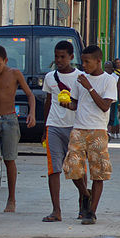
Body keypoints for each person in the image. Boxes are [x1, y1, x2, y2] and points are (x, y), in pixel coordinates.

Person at [64, 45, 119, 225]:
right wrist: (67, 105)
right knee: (72, 168)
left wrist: (89, 88)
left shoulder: (109, 80)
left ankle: (91, 212)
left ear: (98, 61)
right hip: (79, 128)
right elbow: (76, 103)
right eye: (83, 62)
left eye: (87, 62)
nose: (84, 65)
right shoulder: (80, 80)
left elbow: (104, 106)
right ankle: (85, 194)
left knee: (98, 173)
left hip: (98, 130)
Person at [0, 44, 36, 213]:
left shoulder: (14, 74)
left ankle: (11, 200)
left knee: (9, 160)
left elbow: (30, 95)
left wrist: (31, 113)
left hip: (10, 120)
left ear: (5, 61)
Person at [40, 40, 82, 222]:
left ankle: (84, 198)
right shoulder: (50, 77)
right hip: (54, 126)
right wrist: (44, 128)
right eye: (56, 57)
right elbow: (48, 102)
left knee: (76, 169)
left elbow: (85, 104)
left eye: (63, 57)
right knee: (53, 169)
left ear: (71, 57)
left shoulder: (81, 77)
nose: (59, 60)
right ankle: (56, 210)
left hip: (75, 127)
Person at [104, 61, 120, 138]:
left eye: (108, 68)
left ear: (112, 68)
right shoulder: (103, 76)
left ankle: (115, 132)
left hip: (113, 99)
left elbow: (119, 90)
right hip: (104, 98)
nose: (106, 69)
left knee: (113, 116)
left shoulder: (116, 77)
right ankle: (108, 131)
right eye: (105, 67)